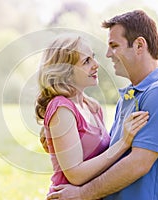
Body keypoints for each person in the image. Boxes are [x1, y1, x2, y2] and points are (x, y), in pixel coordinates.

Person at [46, 10, 158, 200]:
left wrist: (83, 194)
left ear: (139, 45)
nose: (107, 55)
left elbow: (138, 163)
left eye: (114, 46)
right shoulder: (130, 96)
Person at [35, 35, 149, 194]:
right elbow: (76, 175)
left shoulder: (92, 106)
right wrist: (123, 142)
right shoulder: (61, 108)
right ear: (66, 72)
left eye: (93, 58)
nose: (96, 65)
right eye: (86, 61)